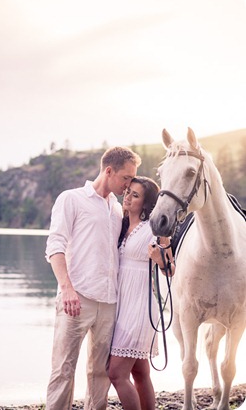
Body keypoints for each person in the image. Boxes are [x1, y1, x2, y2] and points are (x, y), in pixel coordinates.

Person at [45, 146, 142, 410]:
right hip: (76, 299)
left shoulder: (116, 208)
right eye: (125, 178)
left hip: (109, 303)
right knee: (63, 369)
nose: (128, 184)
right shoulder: (71, 199)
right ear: (108, 170)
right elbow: (55, 246)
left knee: (99, 374)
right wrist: (66, 288)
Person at [108, 176, 175, 410]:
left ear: (147, 204)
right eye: (127, 192)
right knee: (139, 371)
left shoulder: (154, 230)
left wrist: (159, 259)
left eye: (135, 195)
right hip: (121, 306)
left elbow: (170, 269)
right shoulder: (121, 225)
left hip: (140, 308)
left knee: (116, 373)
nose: (127, 197)